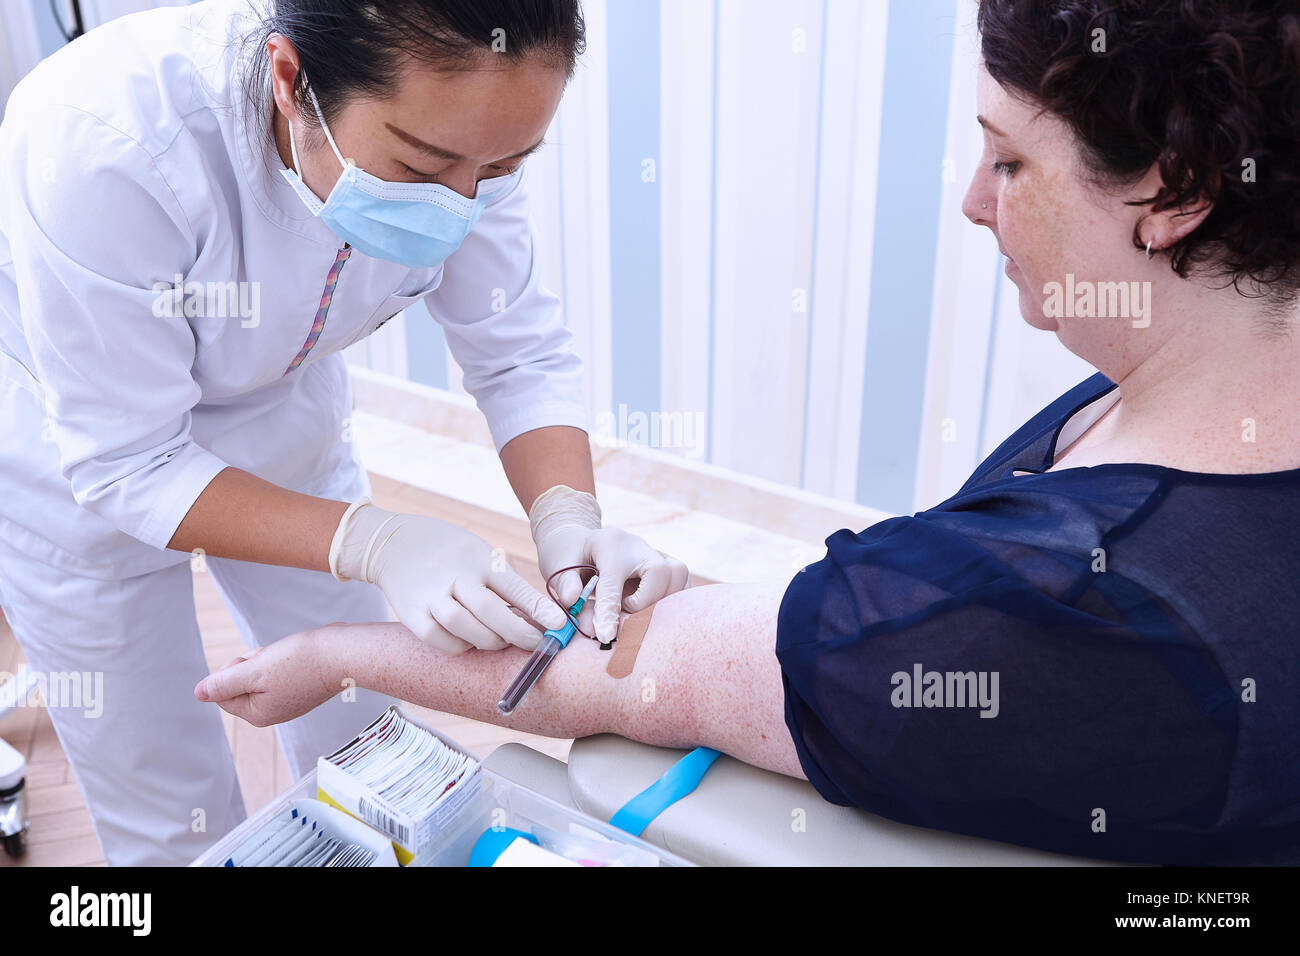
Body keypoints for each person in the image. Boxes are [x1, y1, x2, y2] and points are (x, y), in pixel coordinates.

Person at [199, 0, 1300, 866]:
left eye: (1009, 159)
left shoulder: (1054, 605)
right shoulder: (1184, 410)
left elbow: (640, 673)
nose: (972, 199)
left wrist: (328, 651)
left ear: (1178, 191)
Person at [0, 0, 685, 866]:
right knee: (168, 810)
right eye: (424, 163)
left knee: (369, 739)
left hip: (281, 409)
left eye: (504, 166)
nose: (463, 201)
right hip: (81, 451)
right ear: (291, 82)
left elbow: (515, 351)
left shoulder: (464, 142)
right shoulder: (104, 141)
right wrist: (375, 539)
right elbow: (131, 461)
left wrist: (569, 519)